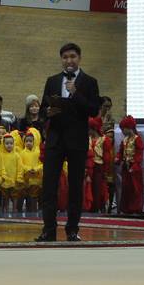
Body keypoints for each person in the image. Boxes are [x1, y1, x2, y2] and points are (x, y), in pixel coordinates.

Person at [36, 42, 101, 243]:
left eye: (72, 56)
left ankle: (72, 230)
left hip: (77, 140)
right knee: (49, 186)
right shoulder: (52, 80)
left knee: (75, 187)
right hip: (55, 139)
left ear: (79, 58)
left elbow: (93, 110)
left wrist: (75, 93)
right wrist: (47, 112)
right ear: (61, 59)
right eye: (65, 57)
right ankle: (48, 230)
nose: (69, 60)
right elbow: (42, 110)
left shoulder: (89, 82)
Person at [85, 117, 113, 213]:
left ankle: (96, 207)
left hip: (98, 167)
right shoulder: (87, 139)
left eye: (89, 129)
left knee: (97, 188)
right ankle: (88, 206)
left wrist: (105, 170)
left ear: (94, 129)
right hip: (88, 166)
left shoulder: (104, 140)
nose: (88, 131)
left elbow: (107, 157)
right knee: (88, 187)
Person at [118, 116, 144, 215]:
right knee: (126, 188)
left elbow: (139, 154)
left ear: (129, 128)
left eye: (123, 129)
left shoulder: (137, 139)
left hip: (134, 168)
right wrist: (118, 158)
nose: (122, 131)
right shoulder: (124, 140)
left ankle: (135, 209)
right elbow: (120, 152)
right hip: (126, 167)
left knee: (135, 189)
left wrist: (135, 166)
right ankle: (126, 209)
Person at [18, 128, 42, 215]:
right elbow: (21, 164)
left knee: (34, 197)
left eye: (30, 141)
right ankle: (21, 212)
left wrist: (35, 169)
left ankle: (33, 212)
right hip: (26, 179)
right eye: (27, 141)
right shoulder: (22, 153)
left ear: (34, 141)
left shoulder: (38, 152)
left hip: (36, 178)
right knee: (24, 195)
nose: (28, 143)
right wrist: (28, 169)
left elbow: (41, 164)